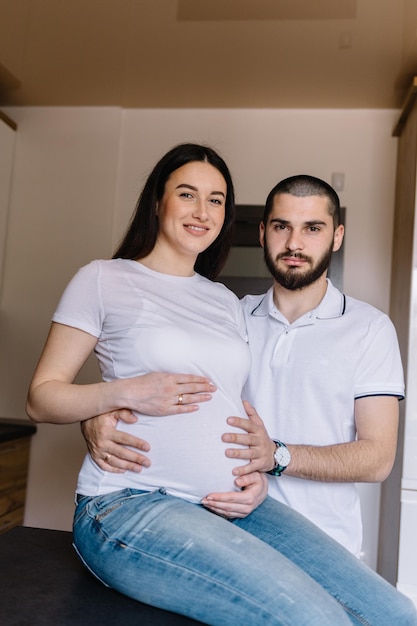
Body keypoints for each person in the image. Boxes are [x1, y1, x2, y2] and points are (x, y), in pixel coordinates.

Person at [27, 145, 417, 625]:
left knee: (395, 615)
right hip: (135, 499)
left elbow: (229, 407)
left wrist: (262, 470)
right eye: (187, 194)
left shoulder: (222, 301)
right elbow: (44, 396)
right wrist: (108, 402)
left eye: (215, 200)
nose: (201, 211)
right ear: (157, 201)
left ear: (335, 237)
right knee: (318, 620)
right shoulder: (106, 279)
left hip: (235, 504)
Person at [84, 174, 403, 558]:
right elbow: (167, 392)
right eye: (282, 227)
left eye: (312, 228)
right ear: (263, 232)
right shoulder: (228, 317)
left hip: (327, 543)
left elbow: (377, 458)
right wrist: (98, 415)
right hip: (222, 530)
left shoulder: (369, 327)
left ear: (337, 236)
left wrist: (277, 456)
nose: (294, 244)